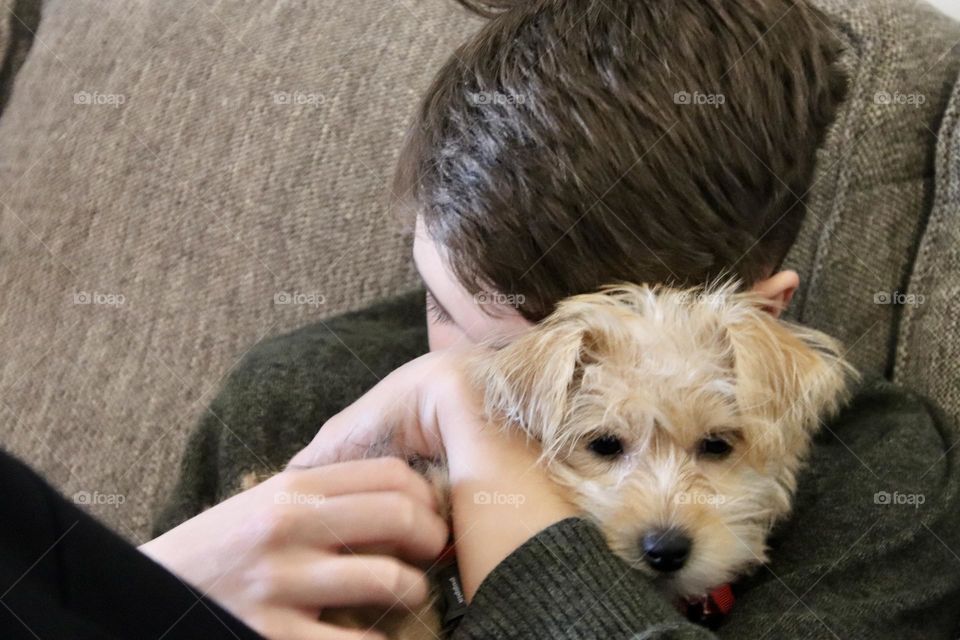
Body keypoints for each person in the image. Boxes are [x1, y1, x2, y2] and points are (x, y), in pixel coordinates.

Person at [6, 0, 957, 638]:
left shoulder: (890, 491)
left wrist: (484, 447)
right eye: (441, 309)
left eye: (514, 356)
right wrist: (167, 585)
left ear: (757, 318)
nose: (452, 373)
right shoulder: (312, 386)